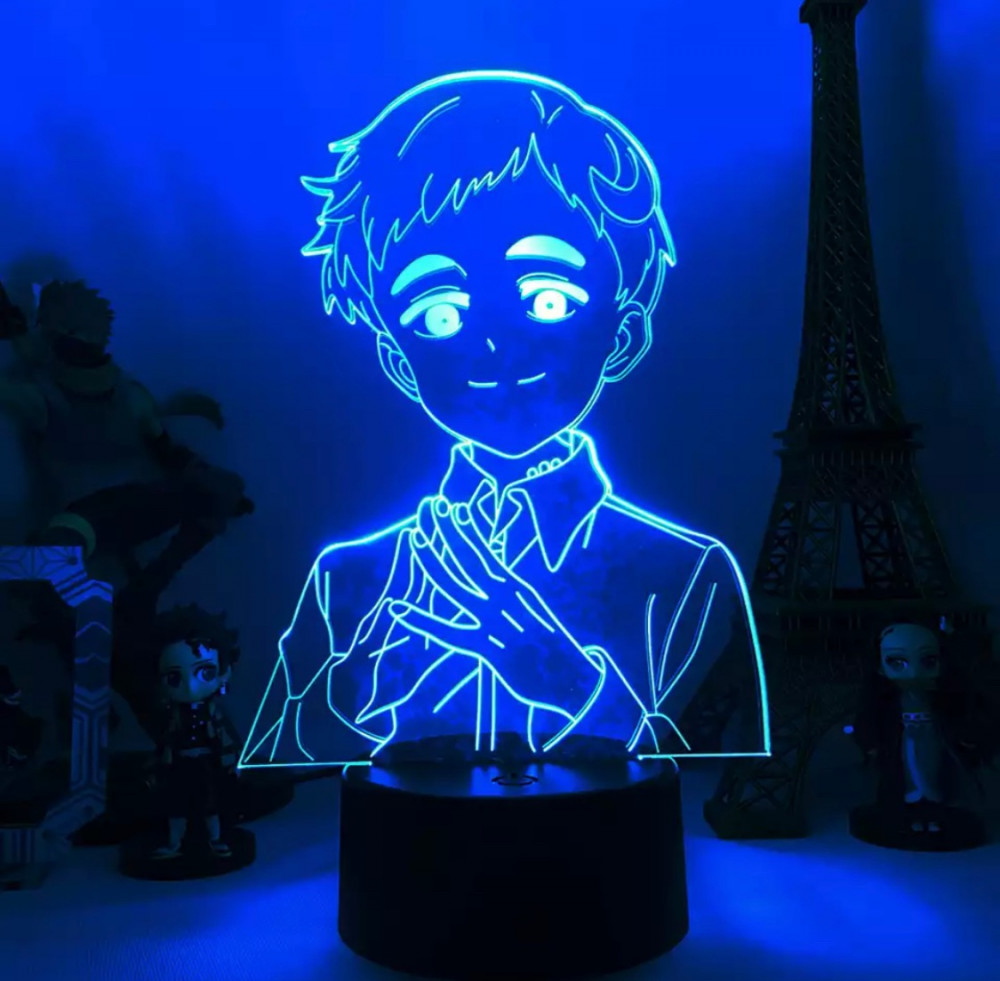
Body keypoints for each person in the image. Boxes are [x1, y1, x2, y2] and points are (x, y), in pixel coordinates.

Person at [241, 71, 769, 768]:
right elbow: (281, 775)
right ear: (398, 360)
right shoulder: (349, 578)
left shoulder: (686, 574)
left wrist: (570, 684)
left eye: (548, 299)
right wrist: (346, 700)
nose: (494, 345)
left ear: (624, 334)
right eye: (439, 313)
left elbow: (712, 772)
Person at [151, 605, 240, 859]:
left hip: (206, 764)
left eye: (205, 672)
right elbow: (166, 740)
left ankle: (215, 840)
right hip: (179, 765)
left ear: (224, 672)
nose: (190, 687)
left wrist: (231, 760)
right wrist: (160, 763)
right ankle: (174, 844)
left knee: (210, 803)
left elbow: (226, 738)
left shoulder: (213, 713)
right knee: (176, 805)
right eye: (174, 678)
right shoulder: (173, 716)